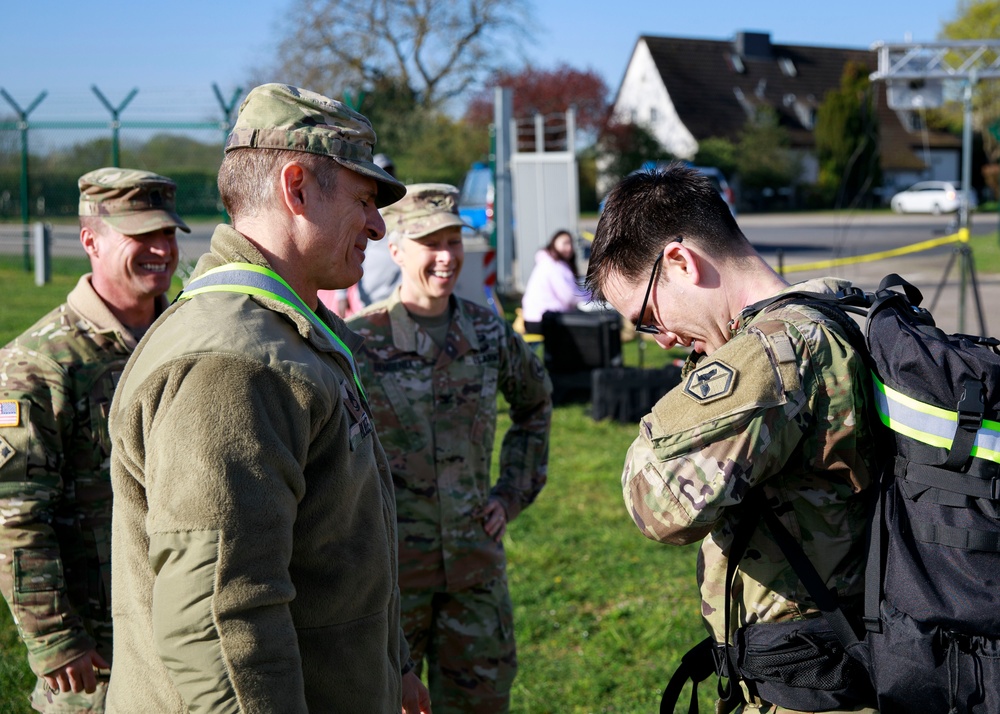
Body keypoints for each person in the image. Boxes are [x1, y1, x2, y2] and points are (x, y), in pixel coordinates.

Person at [105, 84, 430, 714]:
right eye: (364, 199)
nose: (379, 224)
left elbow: (329, 553)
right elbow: (222, 623)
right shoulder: (234, 359)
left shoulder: (280, 331)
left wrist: (392, 668)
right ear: (297, 187)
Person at [584, 164, 876, 713]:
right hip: (846, 652)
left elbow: (658, 505)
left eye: (649, 316)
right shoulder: (840, 312)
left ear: (680, 261)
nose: (665, 337)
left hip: (812, 682)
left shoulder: (775, 351)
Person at [348, 183, 552, 713]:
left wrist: (511, 494)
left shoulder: (486, 331)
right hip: (392, 581)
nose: (446, 257)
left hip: (473, 570)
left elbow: (534, 405)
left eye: (454, 242)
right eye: (429, 243)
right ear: (395, 250)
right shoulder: (358, 340)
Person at [0, 167, 188, 713]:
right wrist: (55, 638)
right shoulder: (38, 364)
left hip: (188, 627)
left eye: (168, 233)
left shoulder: (185, 336)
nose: (160, 249)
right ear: (90, 240)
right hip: (100, 650)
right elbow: (15, 515)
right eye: (141, 235)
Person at [319, 153, 402, 317]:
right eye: (383, 172)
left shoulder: (404, 210)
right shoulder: (363, 215)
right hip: (370, 298)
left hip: (398, 296)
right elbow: (346, 249)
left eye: (390, 173)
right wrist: (341, 295)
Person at [520, 229, 590, 335]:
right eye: (565, 243)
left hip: (534, 318)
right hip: (543, 319)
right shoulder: (554, 265)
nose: (569, 248)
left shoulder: (547, 262)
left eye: (571, 243)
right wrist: (592, 295)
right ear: (554, 243)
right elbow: (570, 297)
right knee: (588, 326)